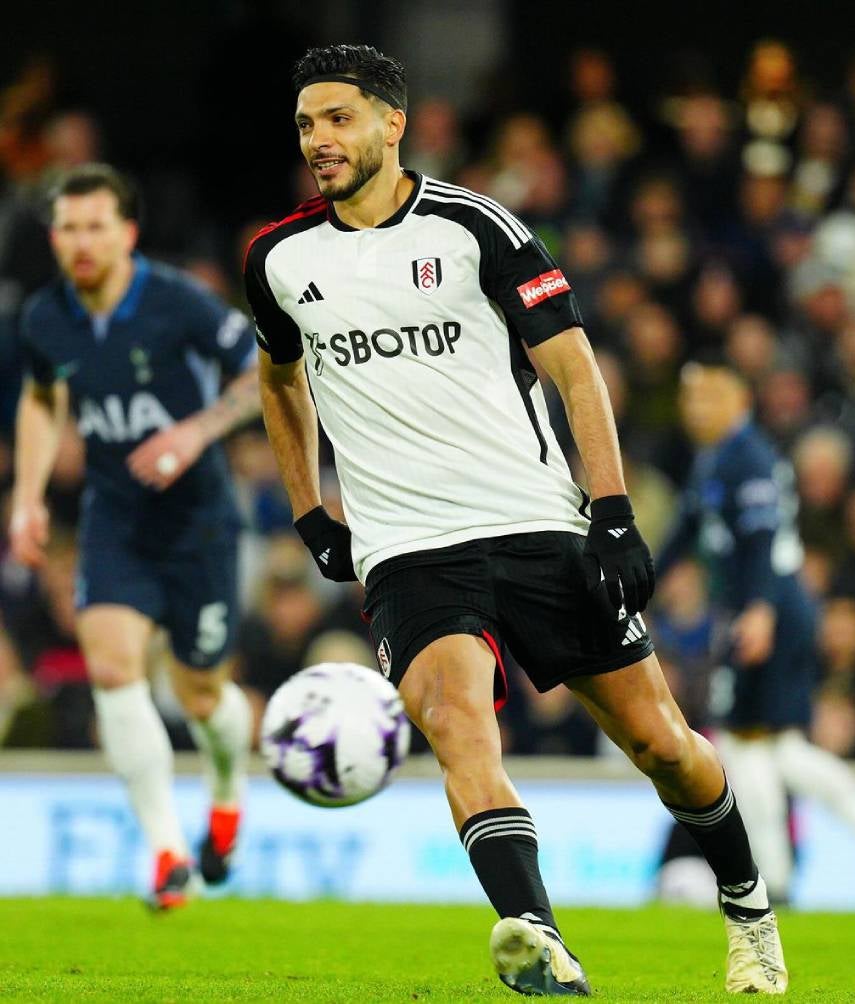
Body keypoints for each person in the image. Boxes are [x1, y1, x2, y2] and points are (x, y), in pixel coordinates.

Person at [246, 44, 787, 996]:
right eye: (304, 124)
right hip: (405, 549)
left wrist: (612, 511)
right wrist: (308, 509)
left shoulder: (475, 227)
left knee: (663, 744)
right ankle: (537, 938)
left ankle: (746, 907)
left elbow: (573, 366)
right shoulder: (280, 258)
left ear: (391, 122)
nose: (319, 140)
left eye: (337, 118)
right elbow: (278, 377)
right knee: (456, 723)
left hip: (533, 522)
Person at [8, 164, 260, 909]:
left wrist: (195, 430)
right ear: (54, 237)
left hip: (199, 521)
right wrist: (25, 498)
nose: (81, 242)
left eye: (95, 226)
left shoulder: (179, 302)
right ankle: (166, 854)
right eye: (69, 228)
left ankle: (225, 792)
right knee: (114, 667)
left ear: (127, 234)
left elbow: (264, 375)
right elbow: (41, 400)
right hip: (115, 518)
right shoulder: (45, 317)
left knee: (201, 693)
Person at [656, 353, 855, 909]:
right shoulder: (717, 459)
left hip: (769, 610)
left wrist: (759, 612)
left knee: (746, 743)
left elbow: (764, 542)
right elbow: (685, 531)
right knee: (778, 747)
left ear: (738, 402)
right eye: (690, 398)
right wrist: (637, 583)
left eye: (707, 397)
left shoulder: (748, 457)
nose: (694, 408)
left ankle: (777, 878)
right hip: (771, 608)